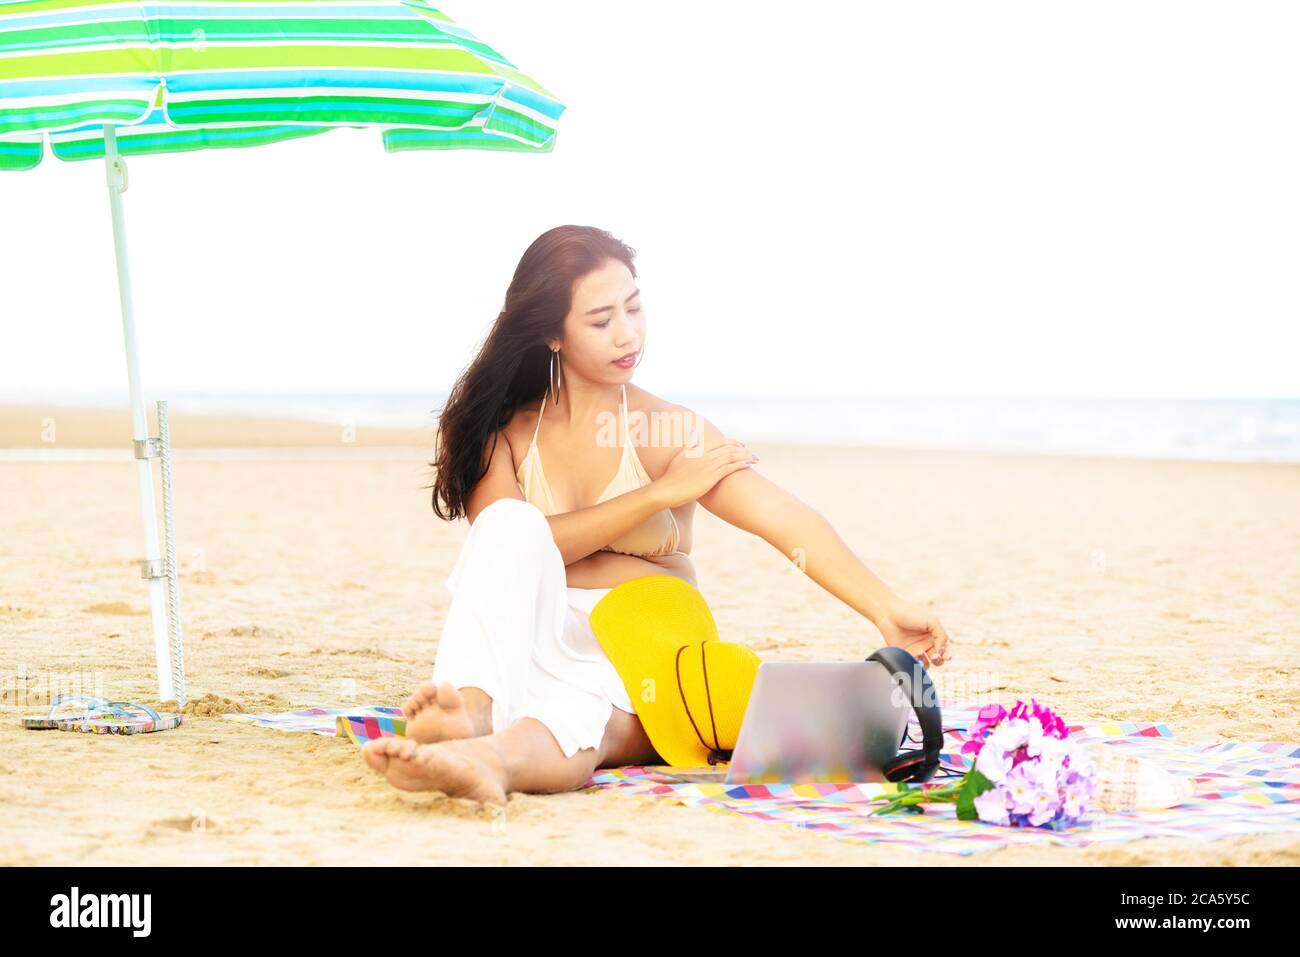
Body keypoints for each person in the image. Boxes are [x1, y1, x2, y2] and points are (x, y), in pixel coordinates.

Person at [361, 225, 953, 805]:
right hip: (534, 629)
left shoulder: (671, 432)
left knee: (580, 709)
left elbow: (785, 518)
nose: (628, 334)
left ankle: (488, 759)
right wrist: (655, 496)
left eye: (634, 308)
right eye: (601, 320)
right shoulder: (504, 433)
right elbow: (521, 549)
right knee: (509, 527)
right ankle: (474, 711)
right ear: (552, 336)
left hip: (646, 642)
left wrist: (884, 606)